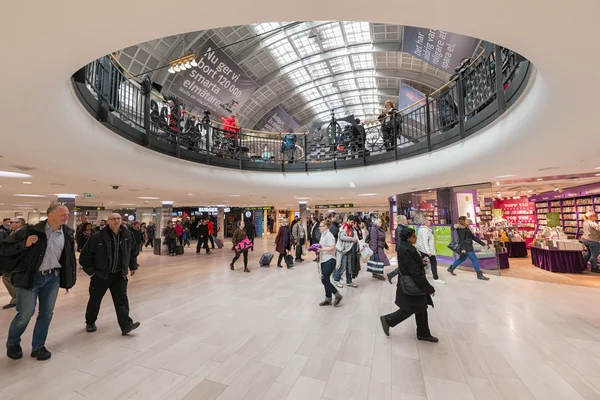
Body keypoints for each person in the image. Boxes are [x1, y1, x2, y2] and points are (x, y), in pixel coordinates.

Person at [1, 205, 76, 361]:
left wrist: (69, 278)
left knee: (46, 314)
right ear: (51, 215)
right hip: (30, 278)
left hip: (52, 278)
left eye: (67, 214)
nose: (66, 217)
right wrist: (24, 244)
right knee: (25, 314)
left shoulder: (67, 233)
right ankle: (13, 343)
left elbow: (68, 259)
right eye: (62, 214)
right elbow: (4, 248)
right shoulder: (29, 231)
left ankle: (38, 346)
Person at [80, 213, 140, 335]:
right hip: (101, 275)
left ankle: (126, 325)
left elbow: (133, 251)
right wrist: (92, 272)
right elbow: (85, 256)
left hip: (119, 275)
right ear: (108, 221)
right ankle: (90, 322)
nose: (116, 221)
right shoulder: (97, 237)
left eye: (118, 219)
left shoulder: (128, 235)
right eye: (113, 219)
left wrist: (133, 266)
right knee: (95, 300)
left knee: (122, 300)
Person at [380, 227, 438, 342]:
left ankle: (423, 333)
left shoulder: (406, 247)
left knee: (420, 308)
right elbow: (414, 271)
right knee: (411, 308)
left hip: (409, 283)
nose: (416, 238)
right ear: (408, 238)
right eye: (413, 236)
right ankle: (388, 320)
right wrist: (428, 288)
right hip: (412, 284)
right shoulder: (407, 249)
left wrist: (419, 261)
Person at [447, 216, 490, 281]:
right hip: (466, 247)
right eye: (466, 220)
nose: (468, 221)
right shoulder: (461, 229)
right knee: (474, 259)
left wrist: (482, 244)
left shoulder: (466, 228)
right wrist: (463, 248)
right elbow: (461, 239)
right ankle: (479, 275)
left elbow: (473, 237)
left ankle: (451, 268)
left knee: (462, 258)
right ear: (463, 221)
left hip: (468, 246)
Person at [0, 217, 27, 309]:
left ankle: (17, 299)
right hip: (11, 261)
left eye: (11, 222)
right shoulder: (13, 232)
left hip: (16, 261)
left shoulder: (22, 233)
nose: (9, 224)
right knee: (8, 278)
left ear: (19, 224)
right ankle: (18, 298)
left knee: (7, 278)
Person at [317, 220, 343, 306]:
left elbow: (332, 248)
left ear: (326, 227)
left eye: (321, 226)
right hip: (323, 259)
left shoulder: (329, 235)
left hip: (330, 260)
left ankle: (337, 294)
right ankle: (328, 299)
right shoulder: (323, 235)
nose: (319, 228)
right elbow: (323, 246)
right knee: (326, 279)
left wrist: (322, 250)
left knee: (324, 280)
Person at [333, 216, 359, 288]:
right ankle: (336, 279)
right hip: (344, 250)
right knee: (343, 266)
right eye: (352, 222)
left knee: (349, 266)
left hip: (349, 249)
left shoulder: (351, 228)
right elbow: (342, 237)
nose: (353, 224)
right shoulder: (344, 227)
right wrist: (352, 239)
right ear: (349, 220)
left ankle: (349, 281)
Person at [416, 220, 445, 284]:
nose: (430, 222)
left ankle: (419, 274)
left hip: (423, 249)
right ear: (425, 223)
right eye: (429, 221)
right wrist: (428, 252)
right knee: (433, 262)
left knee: (423, 262)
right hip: (426, 250)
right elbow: (425, 242)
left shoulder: (424, 229)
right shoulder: (425, 231)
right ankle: (435, 278)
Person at [387, 215, 408, 283]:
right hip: (402, 249)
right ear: (402, 221)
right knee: (404, 265)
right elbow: (399, 240)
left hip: (402, 248)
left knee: (404, 265)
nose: (406, 221)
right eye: (405, 220)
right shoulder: (400, 229)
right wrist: (402, 249)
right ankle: (391, 275)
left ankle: (392, 275)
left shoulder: (401, 228)